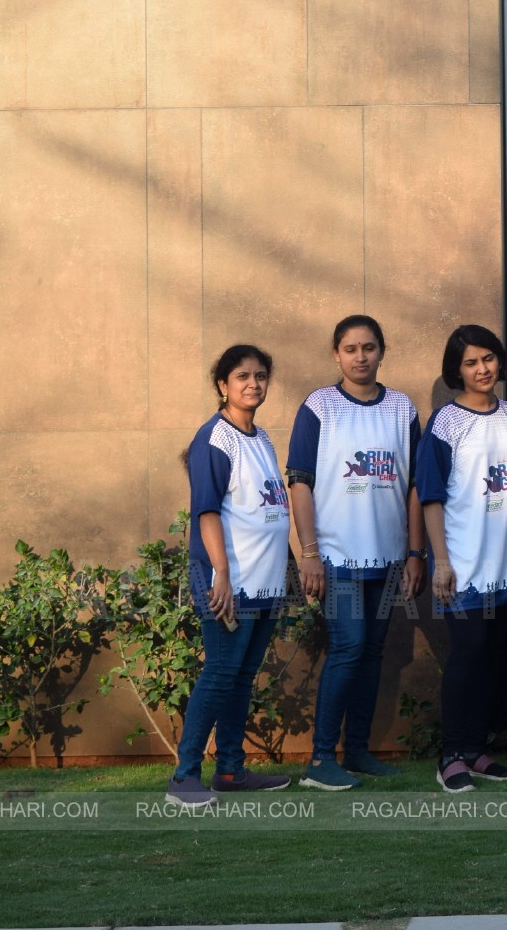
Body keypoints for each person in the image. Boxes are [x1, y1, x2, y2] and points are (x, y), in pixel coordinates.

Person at [286, 314, 425, 790]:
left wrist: (414, 553)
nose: (360, 356)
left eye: (369, 347)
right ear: (336, 354)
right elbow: (299, 484)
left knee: (371, 652)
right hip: (337, 558)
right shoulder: (319, 407)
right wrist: (309, 552)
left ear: (381, 352)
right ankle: (321, 759)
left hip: (387, 558)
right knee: (347, 646)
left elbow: (413, 487)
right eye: (350, 348)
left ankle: (359, 750)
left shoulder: (402, 409)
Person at [167, 344, 294, 809]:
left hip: (263, 582)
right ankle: (183, 778)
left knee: (241, 678)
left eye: (261, 376)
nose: (253, 384)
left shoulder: (261, 439)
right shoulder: (213, 440)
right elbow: (206, 512)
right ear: (223, 385)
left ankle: (231, 771)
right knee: (220, 674)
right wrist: (220, 573)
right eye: (242, 376)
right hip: (228, 581)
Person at [415, 324, 507, 793]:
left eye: (488, 359)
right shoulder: (445, 422)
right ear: (456, 370)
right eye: (470, 362)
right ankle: (451, 756)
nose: (482, 369)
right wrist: (440, 561)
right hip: (463, 564)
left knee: (495, 658)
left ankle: (478, 751)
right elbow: (431, 497)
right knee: (468, 655)